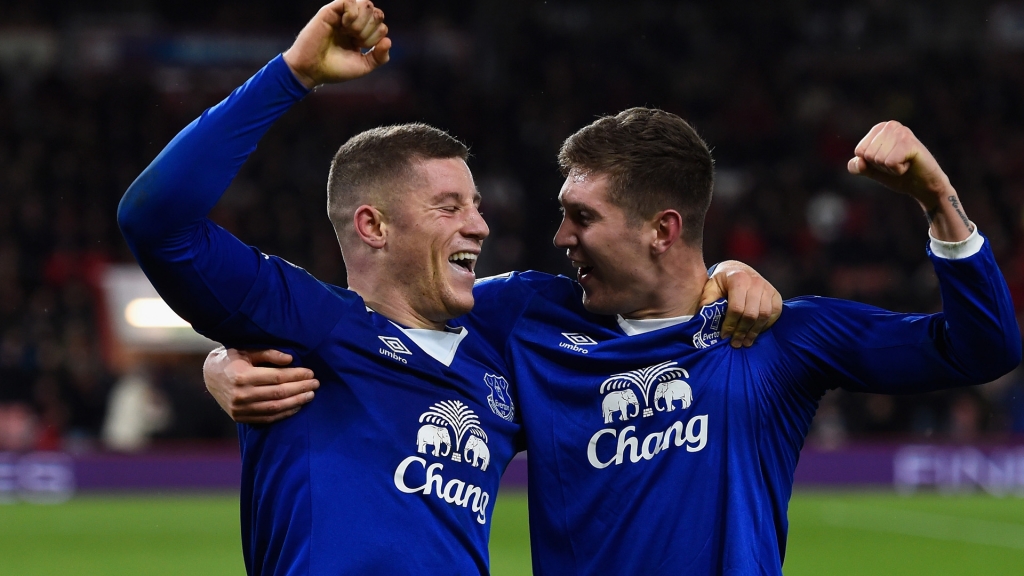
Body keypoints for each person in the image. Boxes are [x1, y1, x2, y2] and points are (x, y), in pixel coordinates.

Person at [118, 1, 778, 574]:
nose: (481, 225)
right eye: (450, 207)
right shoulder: (303, 326)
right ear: (373, 225)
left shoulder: (506, 331)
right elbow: (155, 218)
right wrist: (292, 75)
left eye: (477, 204)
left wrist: (723, 274)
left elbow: (647, 289)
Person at [211, 111, 1021, 574]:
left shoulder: (780, 337)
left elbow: (980, 349)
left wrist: (939, 201)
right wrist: (226, 361)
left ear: (663, 229)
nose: (558, 236)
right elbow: (374, 323)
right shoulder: (527, 321)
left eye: (583, 218)